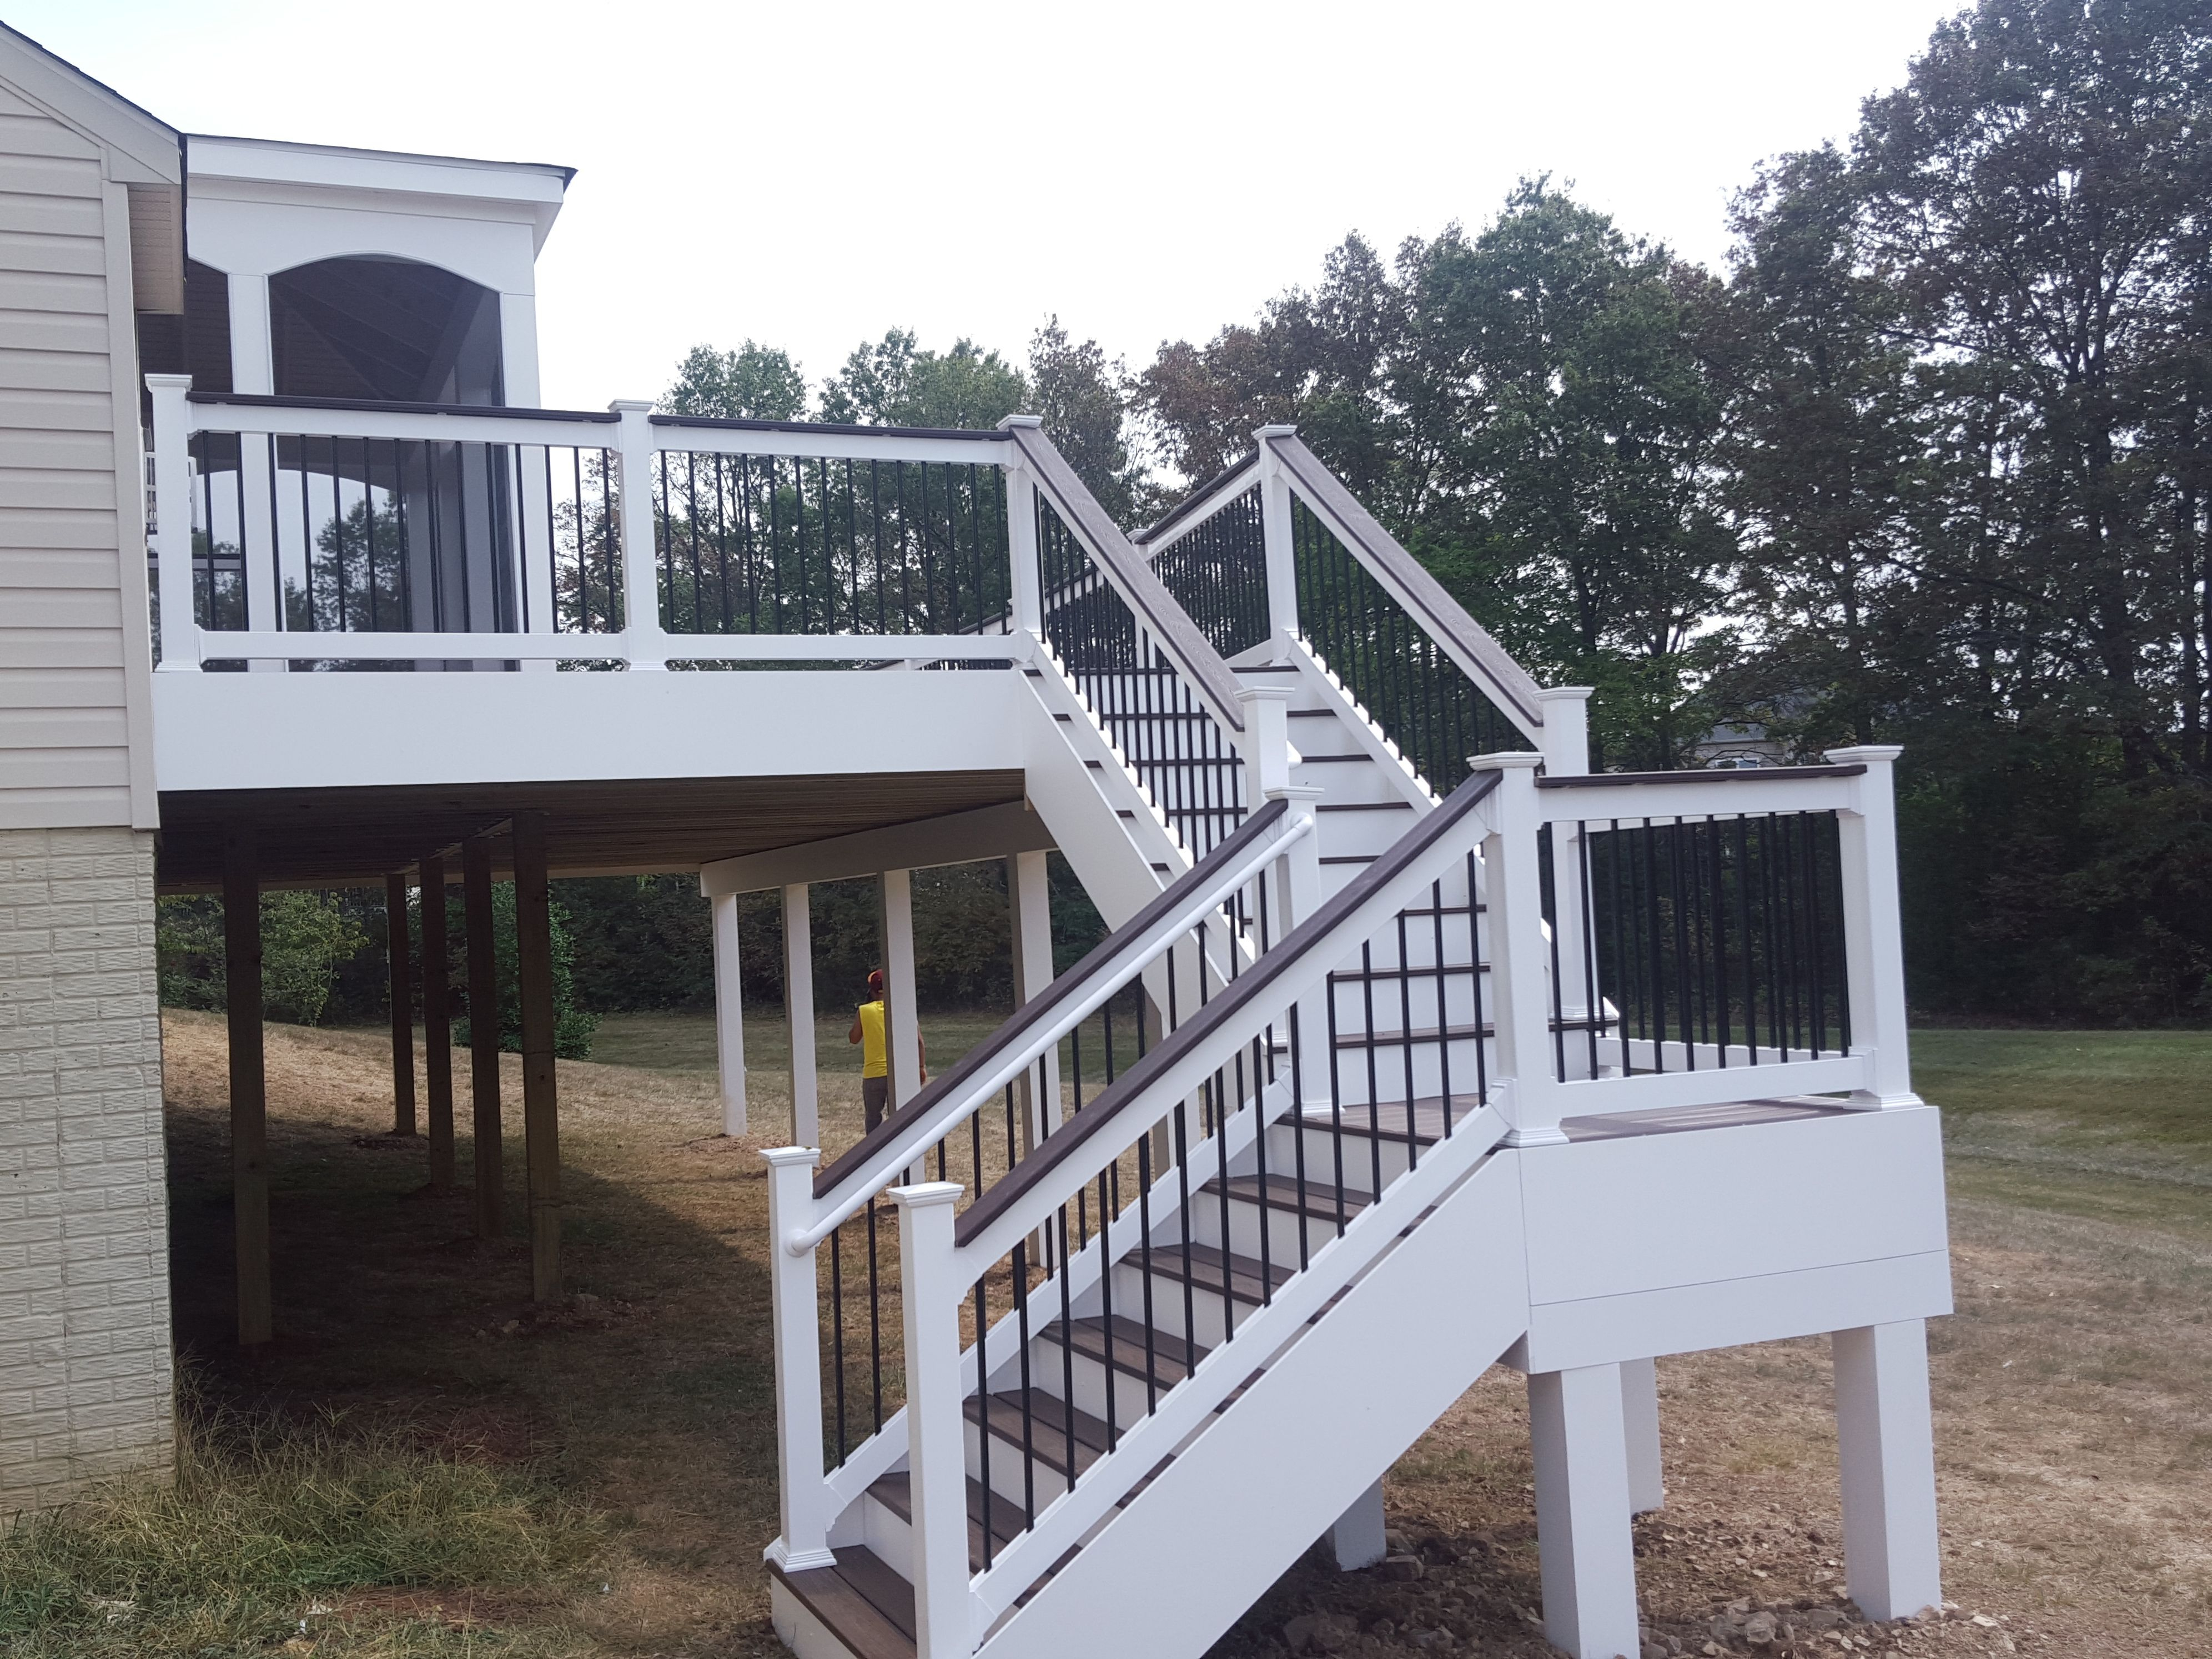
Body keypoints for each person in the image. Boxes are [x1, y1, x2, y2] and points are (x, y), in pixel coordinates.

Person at [849, 969, 925, 1132]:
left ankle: (874, 1152)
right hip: (900, 1073)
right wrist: (921, 1067)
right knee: (898, 1117)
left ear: (872, 990)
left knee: (873, 1117)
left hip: (873, 1074)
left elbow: (854, 1039)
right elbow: (919, 1041)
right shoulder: (903, 1010)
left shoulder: (864, 1011)